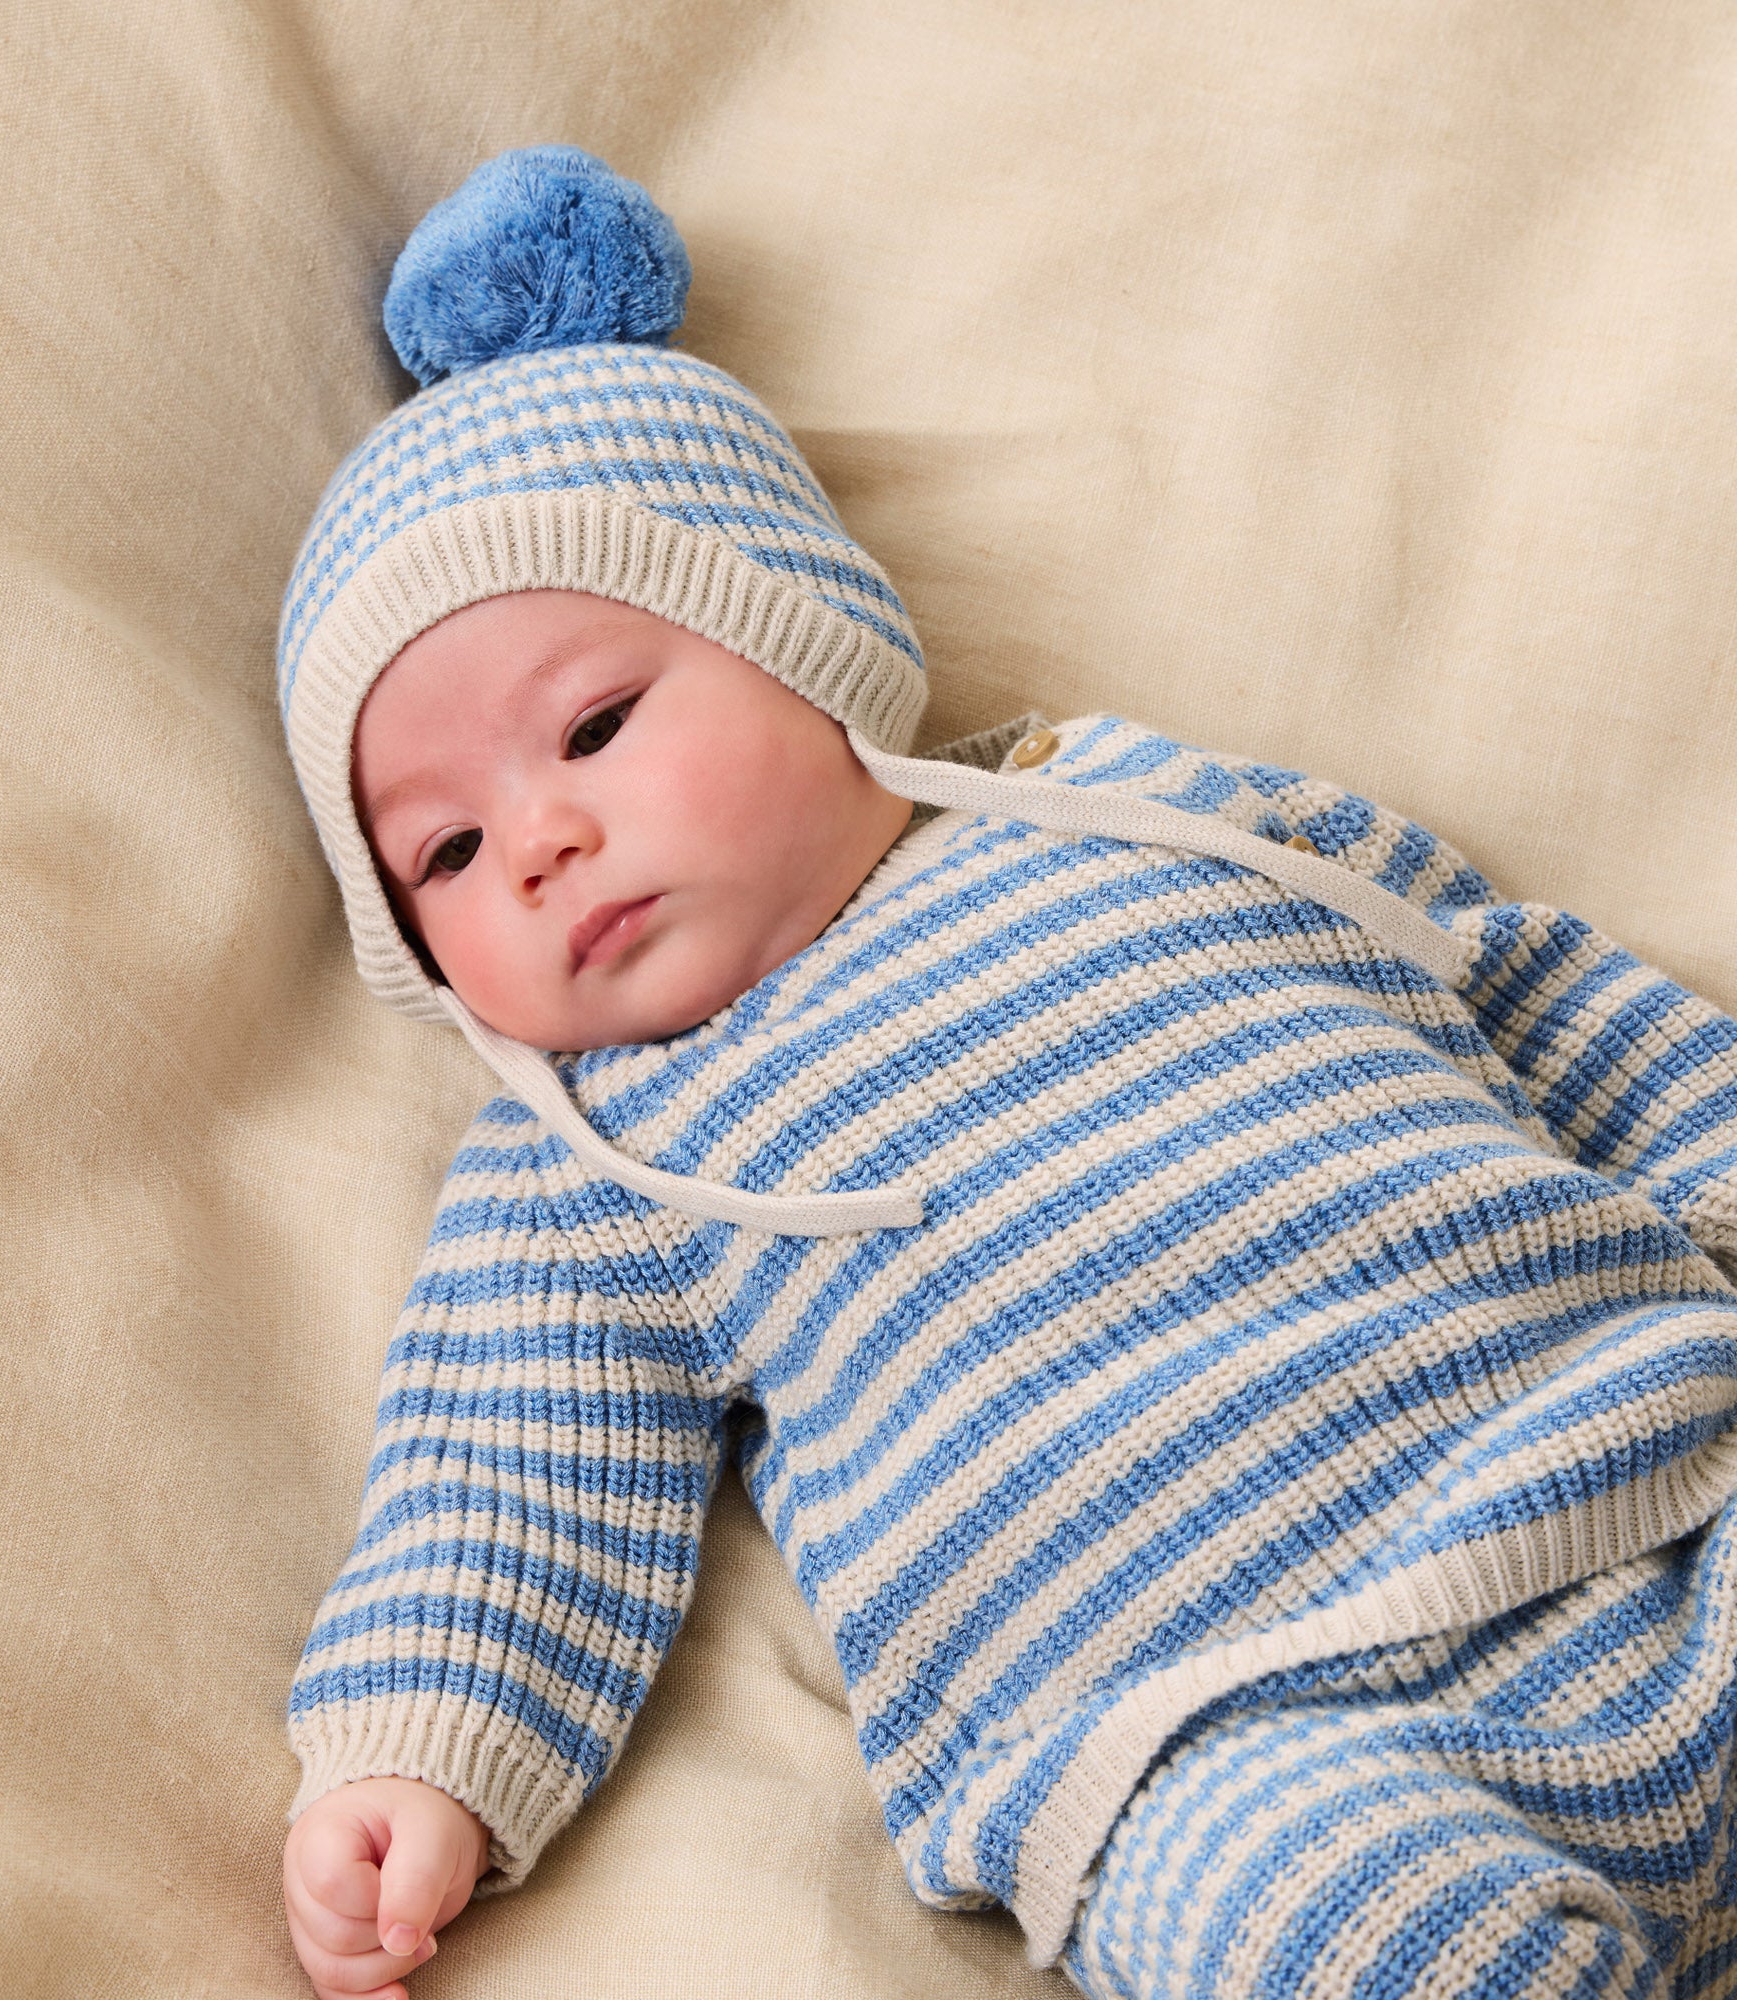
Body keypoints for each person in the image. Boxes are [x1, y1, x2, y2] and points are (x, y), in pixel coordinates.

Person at [274, 147, 1737, 2000]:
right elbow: (497, 1469)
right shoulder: (593, 1156)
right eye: (446, 857)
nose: (540, 838)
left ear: (793, 629)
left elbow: (1516, 986)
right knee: (1338, 1934)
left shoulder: (1138, 807)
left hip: (1656, 1458)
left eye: (593, 725)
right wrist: (413, 1757)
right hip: (1228, 1744)